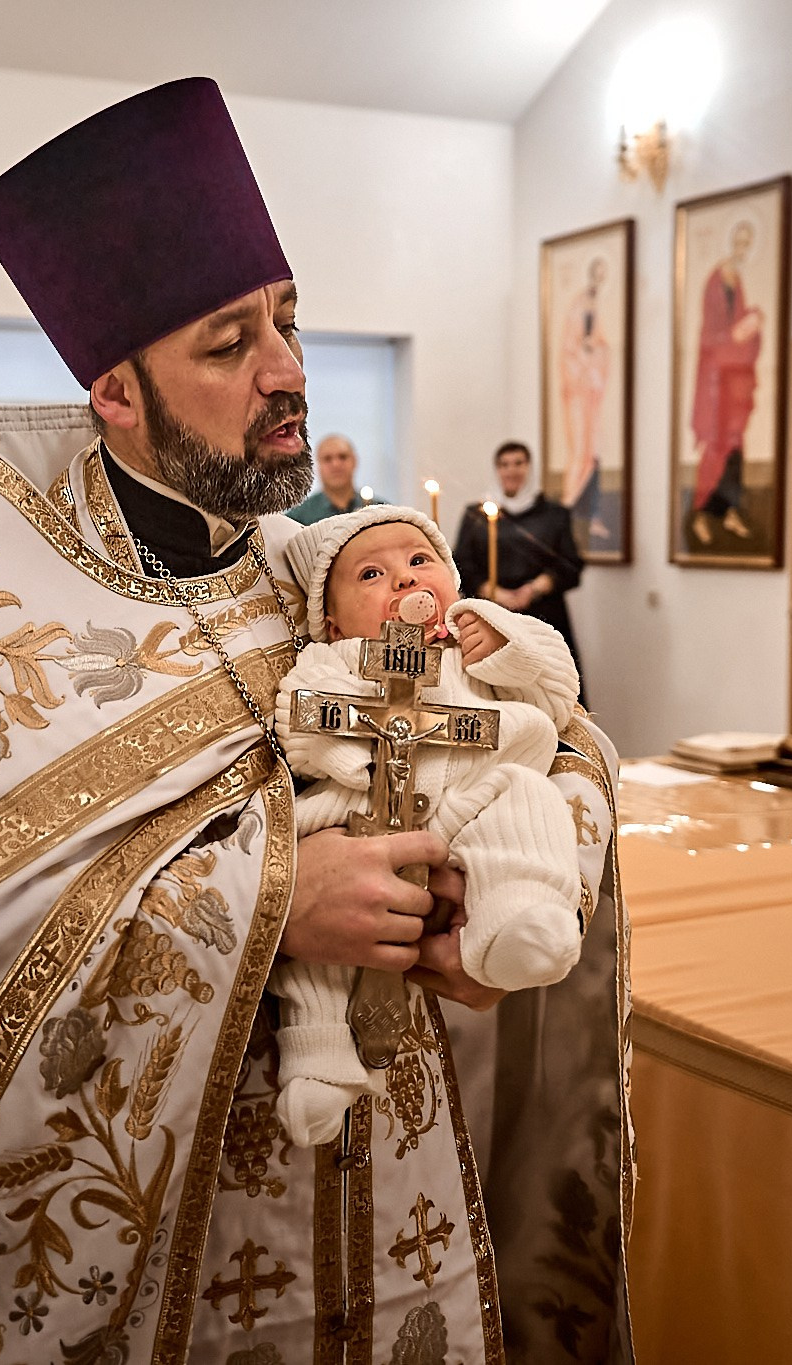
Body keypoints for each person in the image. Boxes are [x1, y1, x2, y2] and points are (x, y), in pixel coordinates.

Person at [0, 78, 630, 1364]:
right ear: (115, 394)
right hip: (178, 1242)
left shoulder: (315, 570)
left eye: (287, 320)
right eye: (228, 345)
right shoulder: (0, 626)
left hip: (394, 1178)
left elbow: (552, 737)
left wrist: (503, 882)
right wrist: (271, 898)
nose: (288, 373)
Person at [270, 507, 585, 1146]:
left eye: (420, 561)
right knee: (324, 941)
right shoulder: (334, 659)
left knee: (526, 798)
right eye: (371, 574)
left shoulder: (476, 647)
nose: (405, 580)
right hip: (358, 818)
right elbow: (299, 721)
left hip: (467, 804)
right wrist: (354, 760)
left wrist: (506, 648)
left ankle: (518, 914)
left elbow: (558, 694)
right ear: (333, 621)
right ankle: (317, 1054)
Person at [452, 440, 587, 703]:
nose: (511, 470)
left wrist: (535, 588)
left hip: (544, 613)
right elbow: (462, 563)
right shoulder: (476, 514)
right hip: (492, 614)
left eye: (518, 463)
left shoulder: (554, 514)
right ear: (497, 470)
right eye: (504, 465)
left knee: (550, 692)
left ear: (529, 467)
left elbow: (570, 564)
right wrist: (493, 591)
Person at [687, 220, 763, 548]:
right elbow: (711, 336)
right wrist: (735, 335)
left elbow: (742, 328)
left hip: (735, 384)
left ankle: (730, 511)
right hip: (715, 383)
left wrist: (751, 326)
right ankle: (702, 514)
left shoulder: (738, 282)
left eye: (748, 243)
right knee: (715, 447)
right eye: (740, 242)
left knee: (735, 446)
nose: (743, 249)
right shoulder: (715, 282)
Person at [557, 256, 616, 544]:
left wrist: (597, 349)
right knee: (580, 451)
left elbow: (602, 344)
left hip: (592, 386)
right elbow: (570, 347)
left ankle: (592, 515)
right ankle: (570, 509)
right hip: (579, 388)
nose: (599, 280)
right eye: (597, 274)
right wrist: (583, 356)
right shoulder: (578, 306)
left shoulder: (598, 308)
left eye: (603, 275)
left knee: (594, 453)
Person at [286, 431, 376, 525]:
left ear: (354, 461)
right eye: (327, 459)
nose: (336, 464)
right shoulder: (296, 520)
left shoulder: (379, 511)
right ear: (317, 466)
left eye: (342, 457)